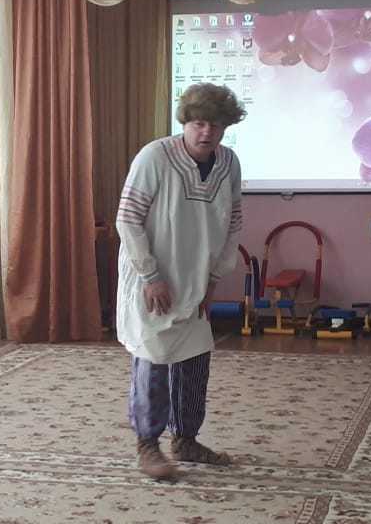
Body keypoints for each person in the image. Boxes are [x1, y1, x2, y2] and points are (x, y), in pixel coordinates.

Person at [115, 82, 244, 481]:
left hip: (197, 279)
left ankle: (186, 440)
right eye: (199, 123)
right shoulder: (155, 157)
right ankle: (147, 445)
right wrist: (150, 276)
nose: (207, 132)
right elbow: (128, 219)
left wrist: (214, 279)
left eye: (216, 125)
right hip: (153, 278)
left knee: (195, 360)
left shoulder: (229, 163)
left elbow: (232, 223)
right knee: (153, 358)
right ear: (186, 122)